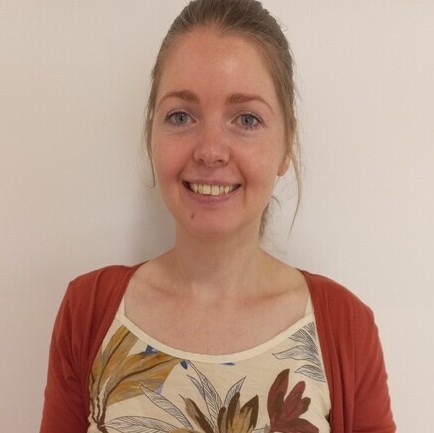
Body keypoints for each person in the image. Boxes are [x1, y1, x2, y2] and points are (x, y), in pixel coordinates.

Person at [40, 1, 395, 432]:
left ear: (286, 145)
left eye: (246, 118)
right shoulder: (88, 311)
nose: (210, 151)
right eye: (180, 116)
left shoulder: (345, 327)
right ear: (152, 135)